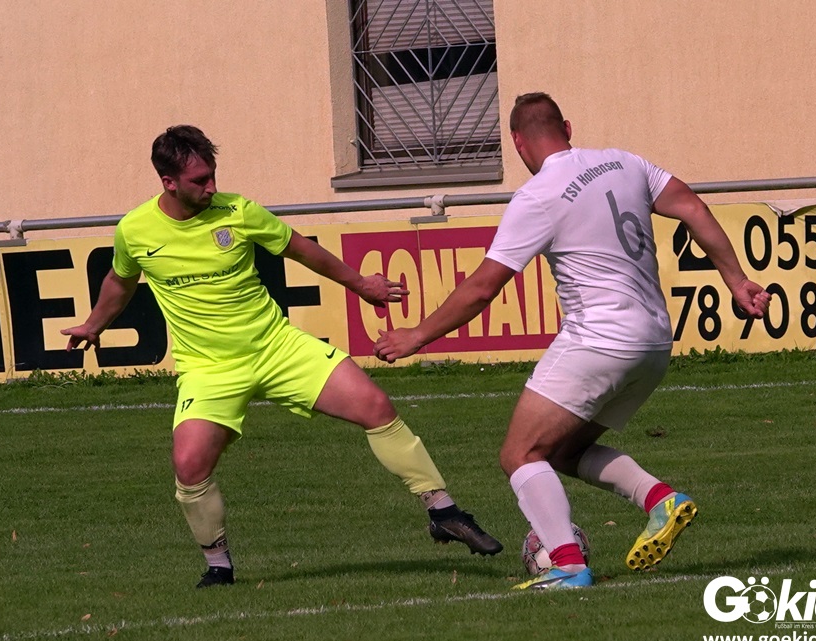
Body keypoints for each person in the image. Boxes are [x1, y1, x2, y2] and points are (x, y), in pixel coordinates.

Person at [62, 125, 502, 589]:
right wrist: (94, 324)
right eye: (199, 180)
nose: (211, 187)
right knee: (189, 466)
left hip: (277, 347)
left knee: (375, 405)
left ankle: (443, 511)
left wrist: (362, 284)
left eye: (212, 175)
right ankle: (219, 566)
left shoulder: (238, 211)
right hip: (209, 369)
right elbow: (121, 281)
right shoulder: (135, 230)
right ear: (168, 182)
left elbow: (302, 249)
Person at [375, 92, 770, 590]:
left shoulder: (538, 195)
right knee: (562, 451)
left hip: (599, 340)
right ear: (566, 127)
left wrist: (417, 335)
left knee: (520, 454)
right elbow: (692, 206)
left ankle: (566, 564)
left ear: (517, 143)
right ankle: (660, 500)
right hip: (654, 342)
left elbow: (482, 288)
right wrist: (736, 280)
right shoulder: (624, 163)